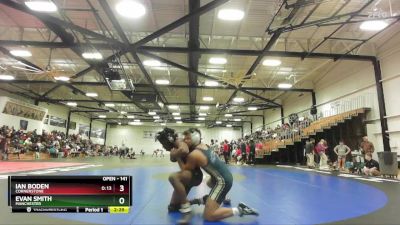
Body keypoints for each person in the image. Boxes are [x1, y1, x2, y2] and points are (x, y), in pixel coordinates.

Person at [176, 128, 259, 221]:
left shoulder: (195, 154)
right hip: (219, 177)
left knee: (209, 216)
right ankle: (211, 199)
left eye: (188, 139)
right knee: (208, 182)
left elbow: (184, 169)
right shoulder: (204, 145)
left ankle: (240, 210)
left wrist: (177, 156)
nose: (184, 141)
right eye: (184, 138)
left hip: (222, 181)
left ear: (195, 138)